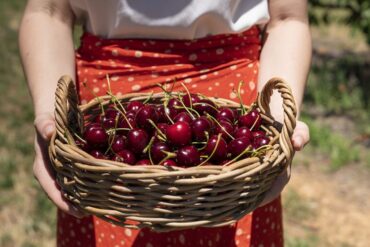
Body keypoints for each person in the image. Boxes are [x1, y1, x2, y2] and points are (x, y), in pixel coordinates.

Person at [19, 0, 311, 246]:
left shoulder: (241, 141)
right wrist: (50, 115)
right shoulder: (100, 149)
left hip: (233, 145)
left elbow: (287, 18)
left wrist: (275, 124)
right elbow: (48, 12)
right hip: (106, 150)